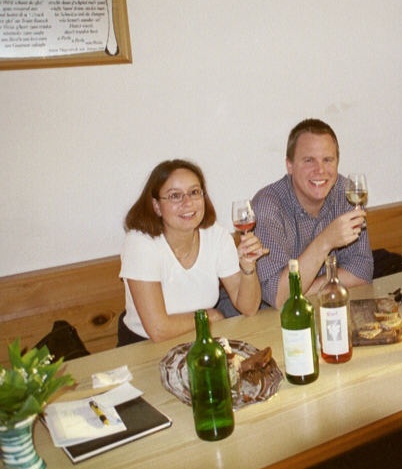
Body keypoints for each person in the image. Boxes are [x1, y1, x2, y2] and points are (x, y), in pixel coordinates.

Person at [118, 159, 266, 346]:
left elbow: (249, 308)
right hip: (144, 346)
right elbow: (158, 329)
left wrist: (248, 267)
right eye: (175, 196)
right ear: (156, 205)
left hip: (201, 340)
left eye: (194, 192)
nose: (187, 203)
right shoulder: (140, 243)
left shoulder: (216, 235)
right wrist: (210, 316)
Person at [247, 118, 373, 310]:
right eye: (309, 160)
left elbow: (362, 272)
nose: (320, 170)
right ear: (290, 165)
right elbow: (280, 298)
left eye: (327, 160)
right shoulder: (267, 206)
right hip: (276, 320)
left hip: (328, 308)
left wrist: (306, 289)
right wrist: (326, 241)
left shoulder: (347, 193)